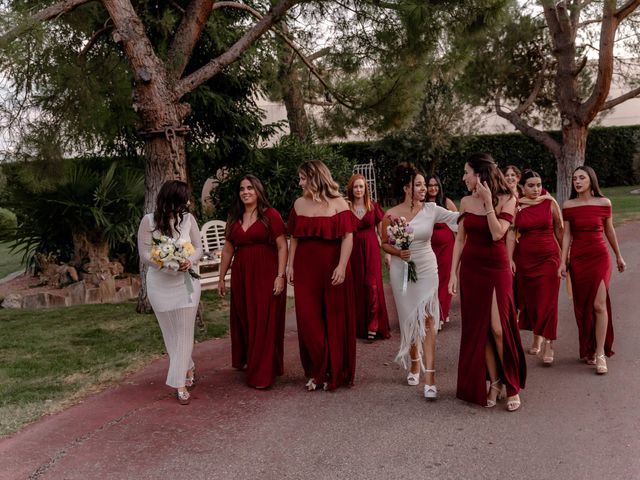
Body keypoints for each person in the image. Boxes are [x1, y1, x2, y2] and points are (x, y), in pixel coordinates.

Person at [449, 153, 526, 411]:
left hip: (496, 268)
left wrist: (488, 203)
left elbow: (497, 233)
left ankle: (511, 383)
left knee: (498, 328)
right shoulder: (465, 201)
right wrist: (452, 274)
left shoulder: (508, 198)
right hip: (471, 269)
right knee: (480, 331)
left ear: (479, 174)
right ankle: (494, 382)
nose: (463, 177)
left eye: (466, 172)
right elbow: (460, 239)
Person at [381, 163, 459, 400]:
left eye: (425, 184)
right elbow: (384, 242)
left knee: (427, 318)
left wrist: (486, 206)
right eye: (419, 184)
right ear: (407, 188)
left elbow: (460, 219)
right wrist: (397, 253)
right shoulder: (391, 214)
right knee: (408, 318)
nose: (425, 188)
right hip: (401, 269)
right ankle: (414, 362)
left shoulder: (433, 209)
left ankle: (430, 376)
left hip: (426, 267)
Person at [287, 160, 357, 391]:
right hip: (305, 269)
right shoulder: (298, 204)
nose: (299, 183)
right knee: (308, 321)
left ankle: (334, 371)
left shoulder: (339, 204)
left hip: (333, 267)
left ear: (315, 178)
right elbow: (294, 237)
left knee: (334, 320)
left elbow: (348, 237)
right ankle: (318, 369)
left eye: (303, 178)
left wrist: (341, 265)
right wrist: (290, 265)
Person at [218, 175, 288, 388]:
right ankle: (254, 362)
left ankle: (262, 375)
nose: (245, 192)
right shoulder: (234, 216)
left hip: (266, 274)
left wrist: (280, 275)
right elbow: (228, 249)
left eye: (250, 188)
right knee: (246, 319)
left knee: (264, 322)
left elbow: (282, 246)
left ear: (258, 190)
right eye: (242, 189)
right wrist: (221, 277)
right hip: (242, 275)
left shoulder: (270, 215)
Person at [137, 180, 202, 405]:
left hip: (186, 285)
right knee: (171, 334)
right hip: (159, 285)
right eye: (183, 199)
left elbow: (198, 247)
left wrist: (188, 260)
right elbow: (144, 253)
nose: (187, 203)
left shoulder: (188, 219)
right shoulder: (148, 221)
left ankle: (179, 384)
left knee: (184, 333)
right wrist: (164, 262)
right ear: (173, 199)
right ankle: (189, 366)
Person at [560, 166, 626, 375]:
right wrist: (563, 262)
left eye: (582, 178)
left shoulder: (604, 203)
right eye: (574, 179)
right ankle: (589, 347)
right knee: (583, 305)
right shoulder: (568, 205)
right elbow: (567, 235)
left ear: (591, 180)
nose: (577, 182)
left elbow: (609, 229)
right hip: (579, 258)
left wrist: (618, 255)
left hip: (599, 256)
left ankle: (599, 353)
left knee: (599, 304)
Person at [507, 170, 563, 366]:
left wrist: (565, 259)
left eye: (538, 185)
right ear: (523, 187)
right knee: (531, 301)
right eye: (531, 185)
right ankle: (537, 336)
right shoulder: (517, 205)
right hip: (525, 260)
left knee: (548, 301)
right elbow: (512, 232)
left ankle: (549, 343)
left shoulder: (549, 202)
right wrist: (509, 259)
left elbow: (559, 228)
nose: (536, 189)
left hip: (549, 258)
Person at [346, 174, 391, 342]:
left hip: (371, 248)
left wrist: (387, 253)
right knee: (357, 286)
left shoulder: (373, 206)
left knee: (372, 285)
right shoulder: (346, 208)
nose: (359, 190)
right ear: (351, 189)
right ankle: (360, 326)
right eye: (356, 187)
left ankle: (374, 325)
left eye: (361, 187)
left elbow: (382, 233)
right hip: (354, 250)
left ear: (366, 189)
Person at [425, 174, 458, 327]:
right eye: (430, 185)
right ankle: (431, 311)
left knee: (444, 279)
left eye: (435, 185)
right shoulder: (421, 204)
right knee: (431, 280)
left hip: (447, 247)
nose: (433, 188)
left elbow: (458, 223)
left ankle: (441, 314)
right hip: (428, 247)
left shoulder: (446, 202)